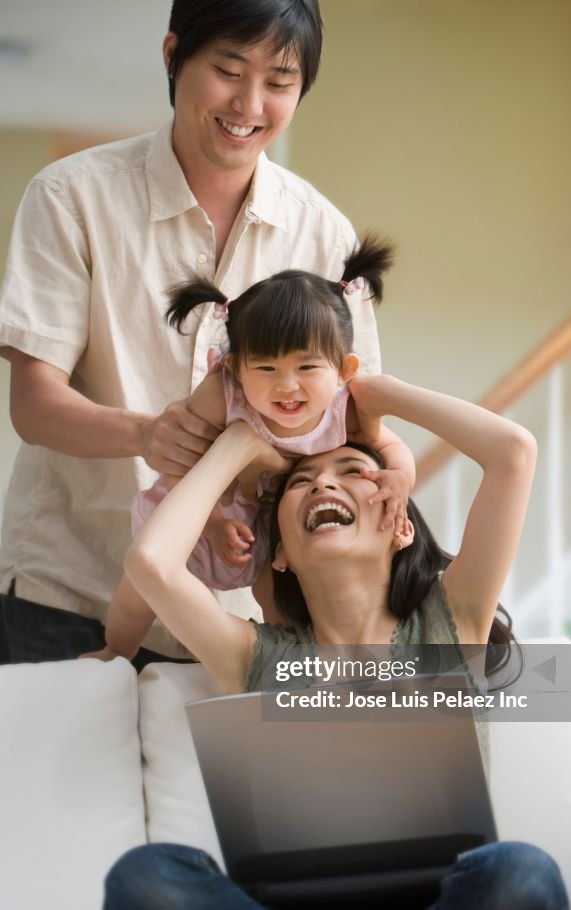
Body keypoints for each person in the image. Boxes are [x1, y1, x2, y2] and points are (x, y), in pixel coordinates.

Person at [102, 374, 571, 910]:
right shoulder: (256, 658)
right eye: (300, 483)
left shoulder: (448, 621)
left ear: (399, 522)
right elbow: (152, 564)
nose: (323, 482)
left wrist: (368, 395)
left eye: (353, 472)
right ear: (280, 557)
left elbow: (513, 451)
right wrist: (241, 443)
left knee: (521, 876)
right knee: (146, 879)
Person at [0, 0, 380, 669]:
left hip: (227, 614)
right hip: (64, 593)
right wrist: (146, 435)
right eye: (228, 70)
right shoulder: (71, 196)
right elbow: (32, 406)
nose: (249, 103)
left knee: (215, 781)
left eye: (279, 81)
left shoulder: (324, 235)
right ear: (174, 56)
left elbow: (348, 425)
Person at [86, 236, 415, 661]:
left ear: (344, 369)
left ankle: (294, 668)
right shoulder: (220, 397)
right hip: (202, 513)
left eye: (308, 366)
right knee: (138, 590)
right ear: (235, 369)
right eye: (265, 368)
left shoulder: (347, 410)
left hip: (268, 526)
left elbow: (389, 446)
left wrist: (400, 478)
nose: (287, 385)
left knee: (276, 597)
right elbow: (182, 466)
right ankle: (115, 651)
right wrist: (211, 525)